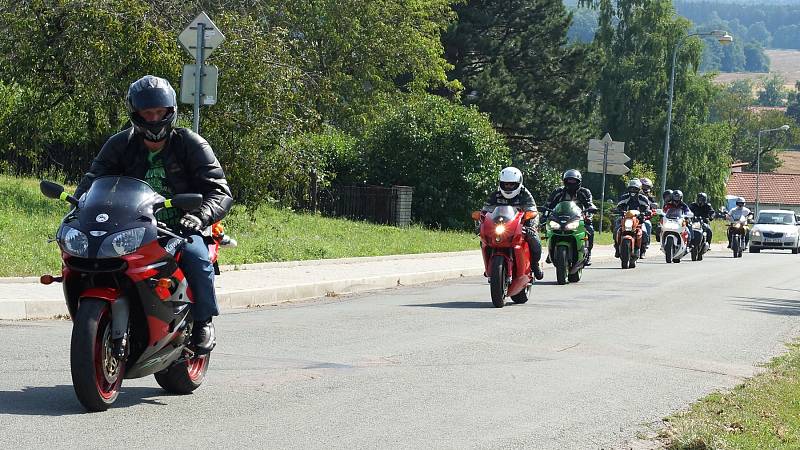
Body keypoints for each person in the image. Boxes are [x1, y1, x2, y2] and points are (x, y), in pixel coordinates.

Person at [74, 75, 233, 354]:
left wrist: (199, 216)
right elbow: (93, 180)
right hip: (132, 226)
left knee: (196, 257)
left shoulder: (191, 144)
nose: (154, 118)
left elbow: (220, 191)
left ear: (171, 112)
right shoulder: (119, 144)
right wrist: (79, 208)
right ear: (136, 114)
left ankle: (203, 321)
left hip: (181, 225)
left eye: (160, 112)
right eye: (148, 113)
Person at [482, 167, 544, 280]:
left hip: (521, 224)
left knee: (534, 239)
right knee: (484, 241)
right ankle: (488, 267)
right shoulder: (495, 194)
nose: (508, 187)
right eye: (505, 184)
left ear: (518, 183)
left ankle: (535, 264)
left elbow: (533, 211)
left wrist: (531, 226)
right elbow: (485, 212)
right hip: (500, 225)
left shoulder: (525, 194)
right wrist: (480, 225)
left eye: (511, 184)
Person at [545, 169, 596, 265]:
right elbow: (548, 205)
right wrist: (544, 215)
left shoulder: (584, 192)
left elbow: (589, 205)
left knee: (590, 230)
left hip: (578, 218)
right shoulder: (558, 192)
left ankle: (588, 253)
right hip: (560, 218)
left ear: (579, 182)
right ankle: (551, 250)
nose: (571, 183)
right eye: (569, 181)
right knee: (549, 228)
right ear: (565, 181)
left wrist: (589, 216)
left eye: (574, 181)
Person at [613, 179, 651, 257]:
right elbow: (619, 206)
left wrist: (645, 213)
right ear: (628, 189)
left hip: (638, 219)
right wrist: (619, 210)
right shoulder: (624, 197)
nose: (633, 190)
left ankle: (643, 250)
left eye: (635, 189)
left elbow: (647, 208)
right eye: (631, 188)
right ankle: (617, 248)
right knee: (617, 229)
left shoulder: (643, 198)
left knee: (644, 232)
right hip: (625, 218)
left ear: (639, 189)